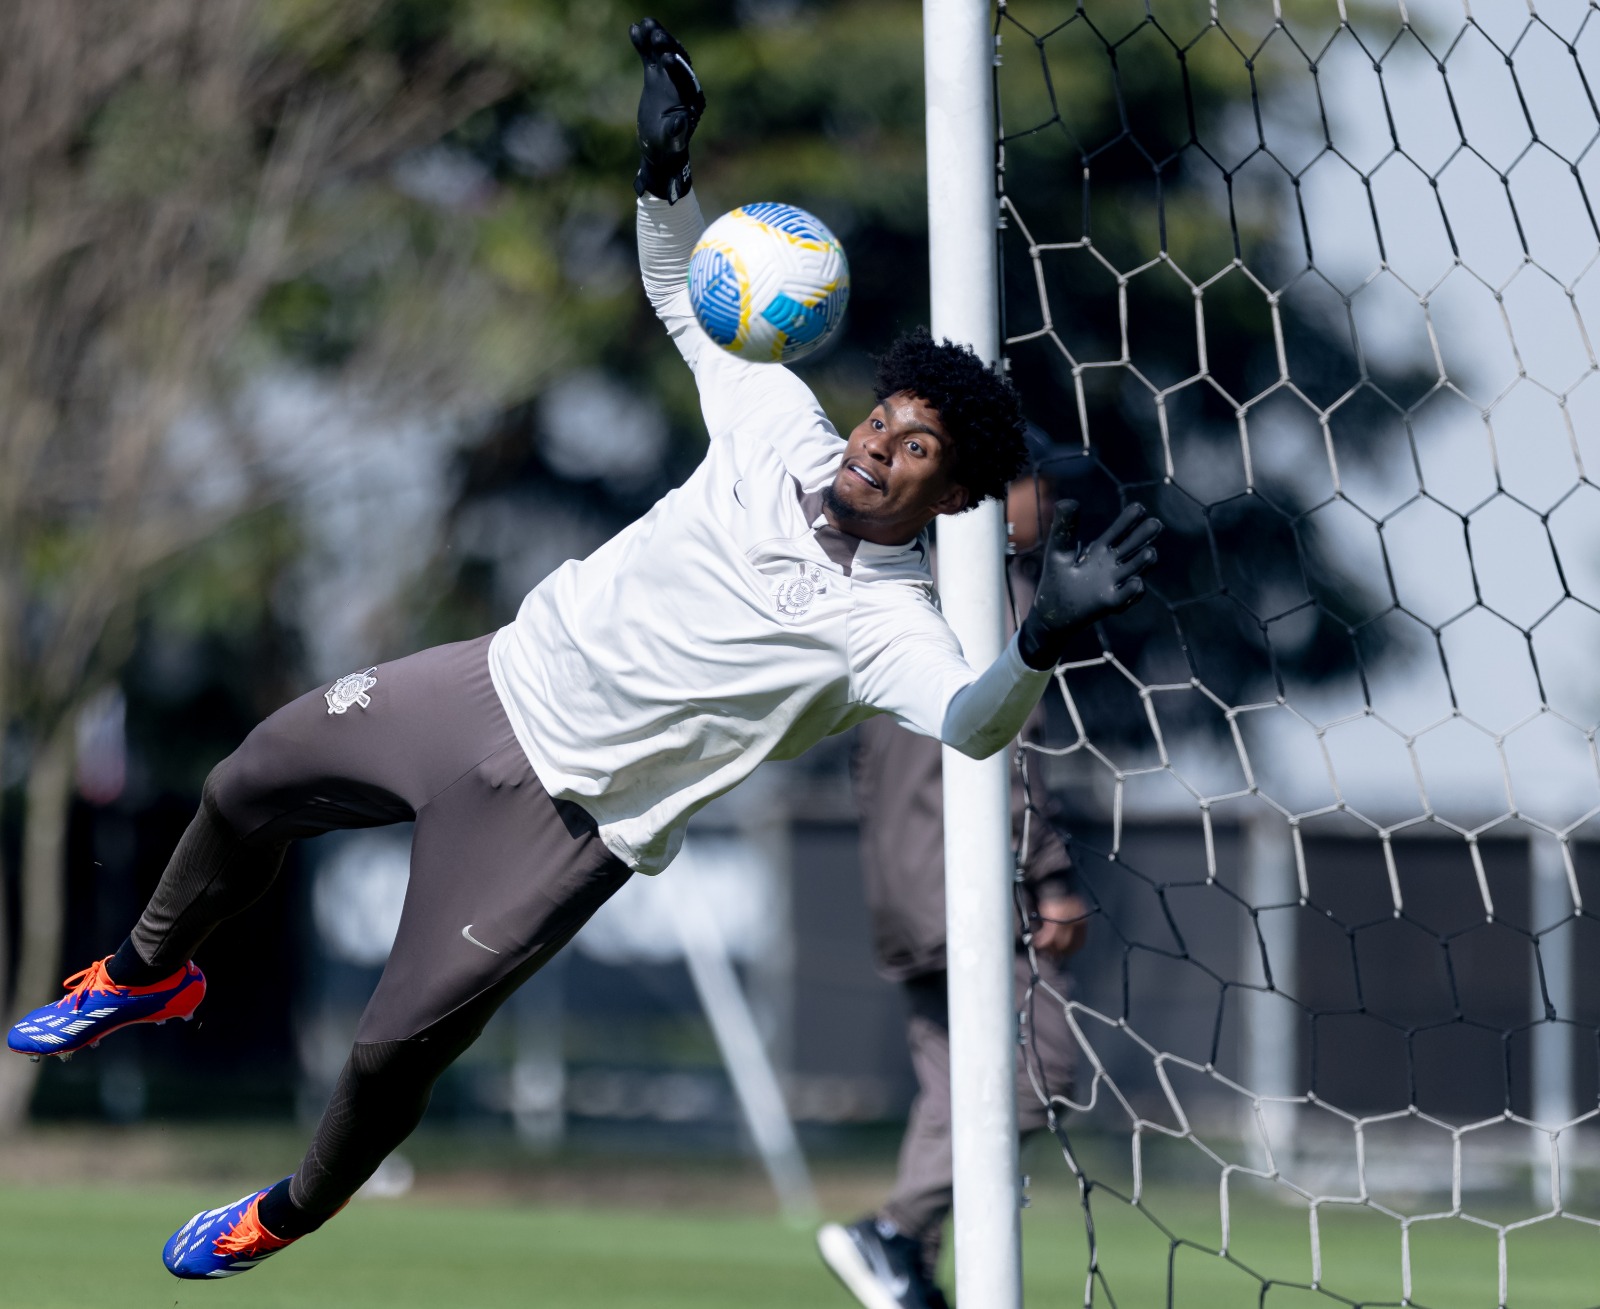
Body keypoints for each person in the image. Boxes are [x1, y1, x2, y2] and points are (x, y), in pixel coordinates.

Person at [5, 18, 1158, 1283]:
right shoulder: (773, 414)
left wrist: (1040, 638)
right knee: (243, 783)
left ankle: (288, 1208)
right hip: (479, 684)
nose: (879, 444)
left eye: (918, 448)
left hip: (563, 825)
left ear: (950, 500)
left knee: (391, 1054)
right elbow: (680, 290)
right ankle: (145, 973)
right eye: (886, 416)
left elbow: (973, 720)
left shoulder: (889, 623)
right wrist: (664, 172)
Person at [817, 479, 1089, 1309]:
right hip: (968, 882)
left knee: (951, 1086)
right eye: (1039, 484)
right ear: (987, 498)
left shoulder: (893, 590)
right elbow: (1009, 747)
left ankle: (909, 1260)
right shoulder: (989, 598)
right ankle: (894, 1228)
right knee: (1041, 1071)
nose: (1054, 501)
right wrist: (1051, 876)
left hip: (900, 883)